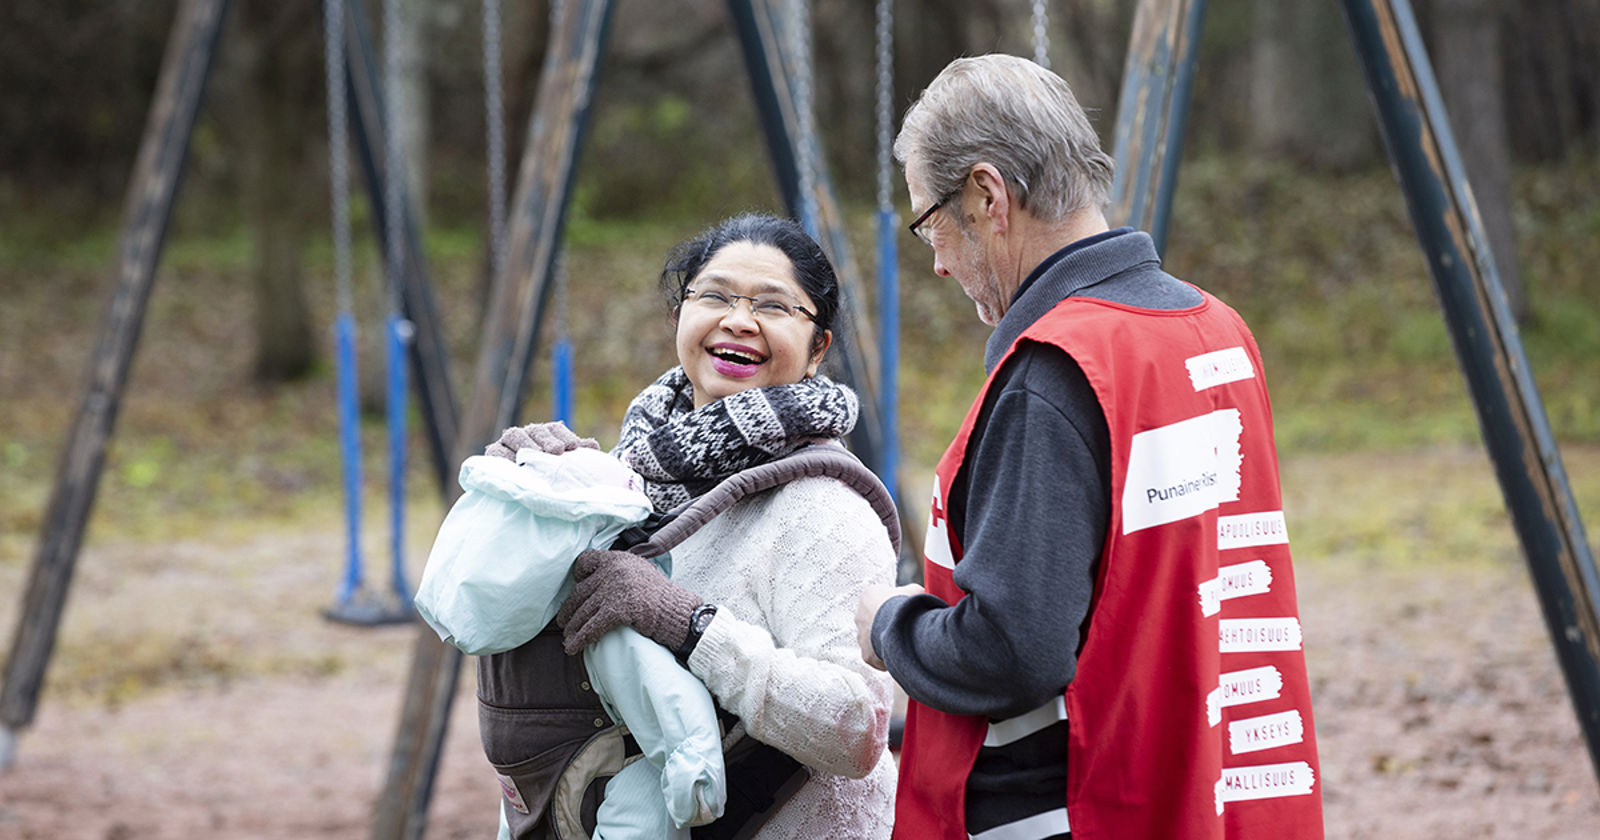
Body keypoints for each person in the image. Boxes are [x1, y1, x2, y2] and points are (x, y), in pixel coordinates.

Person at [854, 54, 1324, 839]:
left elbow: (1013, 650)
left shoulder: (1056, 371)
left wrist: (887, 624)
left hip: (1076, 806)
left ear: (987, 196)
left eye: (930, 221)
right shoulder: (1217, 331)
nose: (935, 261)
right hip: (1218, 796)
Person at [491, 213, 899, 839]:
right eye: (714, 295)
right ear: (680, 316)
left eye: (774, 306)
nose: (739, 319)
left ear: (818, 348)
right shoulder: (632, 474)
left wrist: (689, 625)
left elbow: (857, 729)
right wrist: (529, 496)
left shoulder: (823, 504)